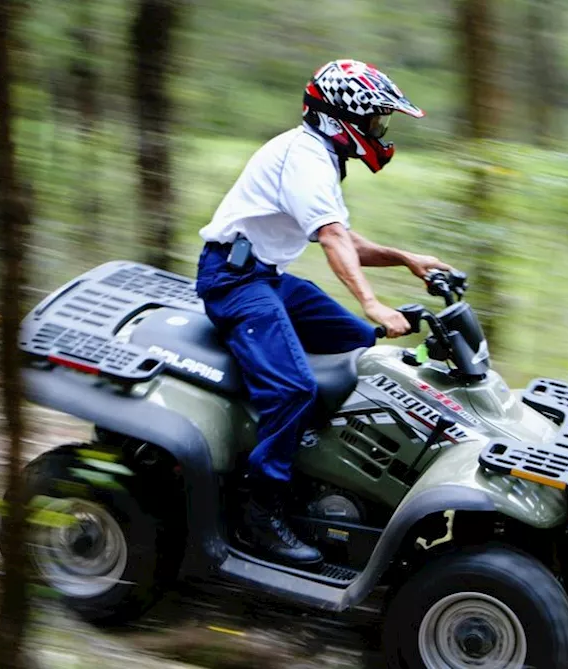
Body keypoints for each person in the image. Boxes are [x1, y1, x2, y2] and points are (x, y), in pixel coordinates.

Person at [195, 60, 451, 569]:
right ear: (342, 118)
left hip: (267, 278)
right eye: (376, 120)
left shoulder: (319, 157)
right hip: (234, 281)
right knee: (293, 387)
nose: (380, 130)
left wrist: (404, 258)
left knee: (359, 343)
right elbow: (333, 238)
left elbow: (341, 233)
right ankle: (261, 506)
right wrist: (374, 300)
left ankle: (312, 458)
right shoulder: (304, 158)